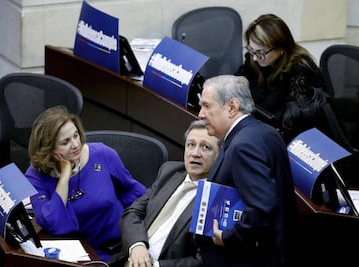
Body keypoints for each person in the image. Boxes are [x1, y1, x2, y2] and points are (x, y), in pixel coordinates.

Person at [196, 75, 297, 267]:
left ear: (232, 107)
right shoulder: (265, 132)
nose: (200, 114)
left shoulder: (243, 145)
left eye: (207, 106)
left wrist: (229, 237)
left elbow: (263, 206)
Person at [24, 105, 146, 261]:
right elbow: (53, 223)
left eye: (76, 135)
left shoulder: (103, 154)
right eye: (65, 142)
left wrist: (138, 241)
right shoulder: (35, 176)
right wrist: (64, 178)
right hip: (75, 256)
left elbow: (136, 195)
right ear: (48, 148)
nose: (75, 144)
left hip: (117, 250)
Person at [108, 120, 221, 267]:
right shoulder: (169, 172)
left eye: (205, 147)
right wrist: (137, 246)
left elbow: (202, 261)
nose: (195, 153)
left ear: (219, 156)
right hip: (129, 259)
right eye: (191, 145)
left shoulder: (217, 199)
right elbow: (133, 212)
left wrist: (154, 266)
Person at [235, 13, 334, 144]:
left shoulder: (300, 70)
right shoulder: (256, 59)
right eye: (251, 50)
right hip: (258, 128)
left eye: (261, 52)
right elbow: (237, 86)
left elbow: (292, 120)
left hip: (294, 139)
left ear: (281, 48)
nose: (254, 57)